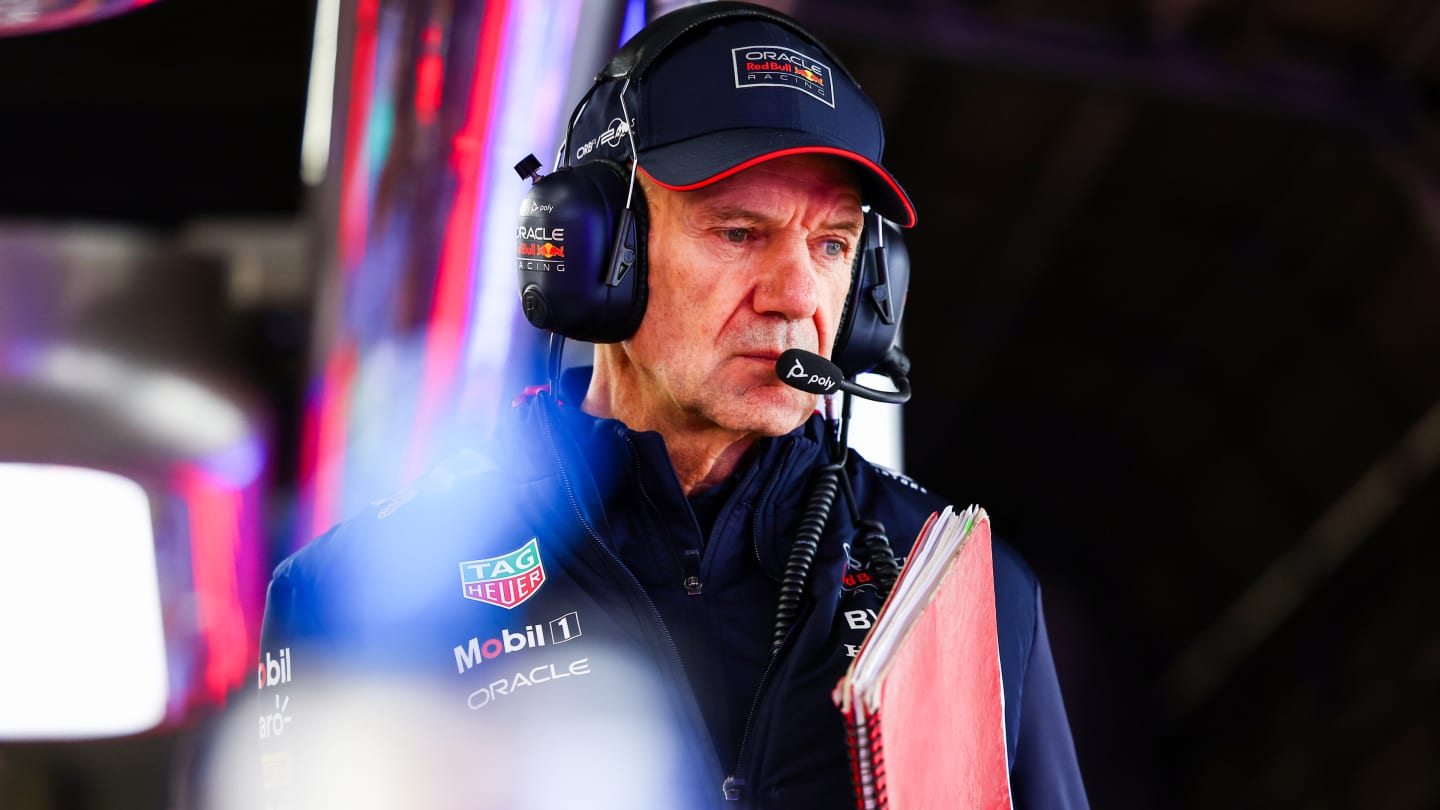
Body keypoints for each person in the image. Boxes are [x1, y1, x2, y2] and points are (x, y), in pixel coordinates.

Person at [257, 3, 1088, 808]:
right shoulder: (350, 594)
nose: (798, 294)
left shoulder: (966, 591)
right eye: (738, 233)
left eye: (832, 244)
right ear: (594, 253)